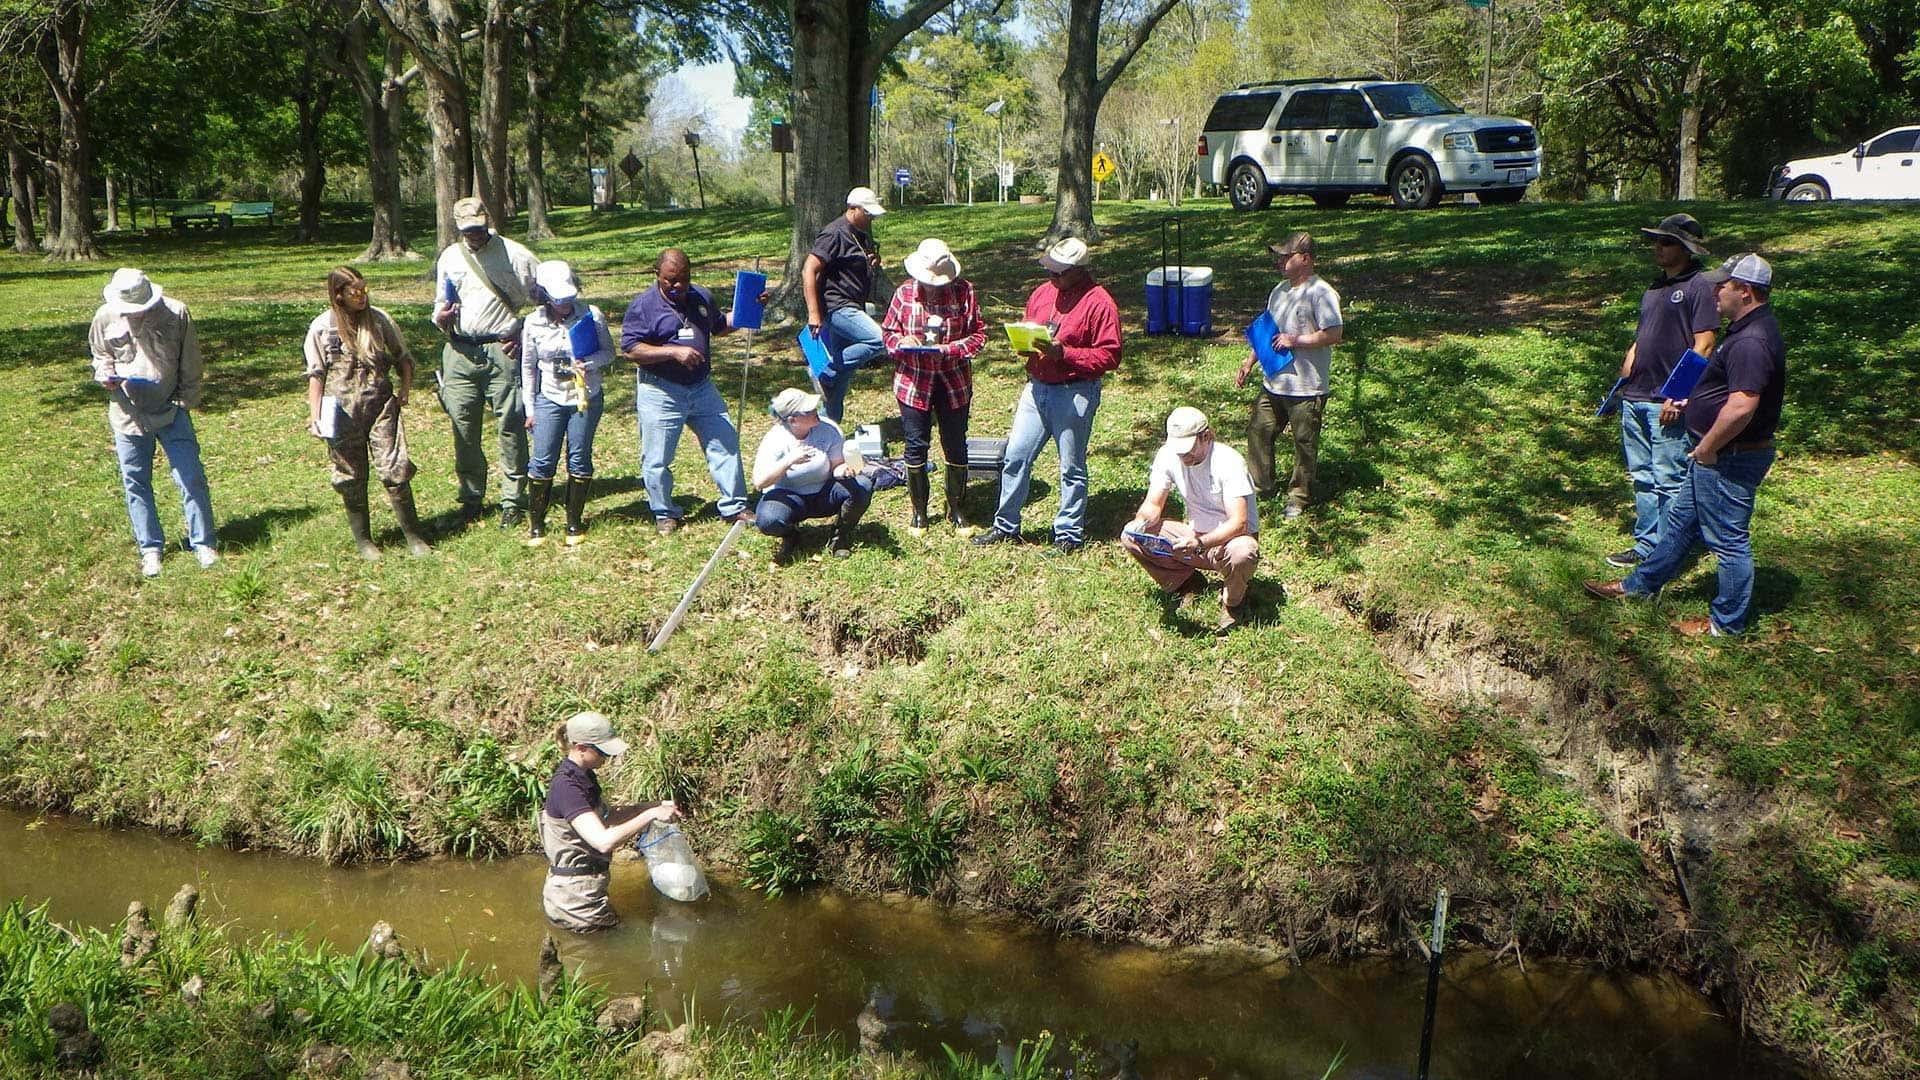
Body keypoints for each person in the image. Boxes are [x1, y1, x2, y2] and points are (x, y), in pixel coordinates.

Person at [1585, 254, 1786, 637]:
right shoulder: (1745, 330)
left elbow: (1743, 405)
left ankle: (1726, 625)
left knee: (1728, 541)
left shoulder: (1752, 341)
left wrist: (1709, 446)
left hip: (1730, 456)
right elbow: (1726, 392)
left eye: (1722, 286)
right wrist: (1691, 402)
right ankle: (1637, 587)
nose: (1715, 292)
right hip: (1718, 453)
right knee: (1678, 526)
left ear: (1744, 291)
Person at [972, 237, 1122, 553]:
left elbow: (1110, 356)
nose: (1052, 278)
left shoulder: (1099, 302)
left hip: (1074, 391)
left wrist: (1064, 354)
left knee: (1071, 466)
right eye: (1049, 271)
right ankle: (1005, 525)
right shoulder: (1042, 293)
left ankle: (1068, 534)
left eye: (1059, 273)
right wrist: (1024, 344)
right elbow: (1030, 326)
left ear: (1080, 270)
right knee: (1015, 456)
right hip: (1036, 388)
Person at [88, 268, 219, 578]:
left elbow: (191, 361)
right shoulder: (105, 316)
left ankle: (203, 542)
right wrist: (104, 374)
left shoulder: (176, 313)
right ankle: (150, 549)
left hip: (171, 410)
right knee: (135, 482)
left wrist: (185, 400)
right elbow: (100, 353)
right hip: (127, 414)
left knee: (191, 476)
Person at [1606, 213, 1718, 569]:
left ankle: (1669, 552)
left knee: (1669, 480)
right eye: (1656, 241)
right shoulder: (1654, 289)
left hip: (1665, 402)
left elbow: (1705, 345)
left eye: (1667, 242)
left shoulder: (1699, 286)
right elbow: (1644, 334)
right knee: (1642, 476)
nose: (1658, 247)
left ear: (1685, 249)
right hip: (1635, 396)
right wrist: (1630, 358)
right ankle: (1646, 545)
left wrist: (1679, 394)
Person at [619, 248, 754, 536]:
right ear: (657, 276)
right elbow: (630, 350)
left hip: (701, 387)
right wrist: (672, 352)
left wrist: (747, 310)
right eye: (670, 280)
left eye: (683, 279)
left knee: (725, 441)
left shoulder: (701, 296)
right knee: (657, 458)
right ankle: (664, 512)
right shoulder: (643, 306)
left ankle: (734, 506)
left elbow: (718, 327)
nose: (677, 286)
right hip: (661, 390)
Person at [303, 266, 432, 560]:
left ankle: (414, 536)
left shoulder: (380, 320)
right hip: (341, 413)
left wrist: (405, 391)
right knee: (350, 475)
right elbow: (316, 374)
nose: (361, 297)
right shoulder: (322, 327)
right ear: (339, 295)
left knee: (394, 468)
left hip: (381, 407)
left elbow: (404, 358)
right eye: (354, 293)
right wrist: (316, 416)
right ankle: (364, 541)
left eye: (364, 290)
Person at [432, 196, 539, 527]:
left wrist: (523, 330)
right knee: (463, 428)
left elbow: (546, 301)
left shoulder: (516, 255)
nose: (474, 235)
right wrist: (442, 317)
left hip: (501, 350)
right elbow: (439, 304)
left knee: (510, 425)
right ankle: (471, 497)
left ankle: (513, 499)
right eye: (467, 230)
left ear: (487, 222)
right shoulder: (450, 257)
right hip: (460, 351)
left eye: (478, 228)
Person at [879, 237, 986, 536]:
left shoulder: (965, 292)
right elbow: (887, 333)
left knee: (955, 443)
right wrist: (901, 342)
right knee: (915, 444)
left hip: (954, 381)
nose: (933, 287)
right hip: (914, 383)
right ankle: (920, 512)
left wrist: (949, 349)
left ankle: (956, 507)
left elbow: (979, 336)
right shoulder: (903, 294)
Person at [1122, 408, 1262, 633]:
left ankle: (1234, 602)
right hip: (1193, 536)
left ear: (1205, 436)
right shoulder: (1168, 455)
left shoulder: (1229, 462)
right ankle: (1186, 583)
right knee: (1130, 535)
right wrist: (1141, 521)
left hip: (1228, 541)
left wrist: (1201, 544)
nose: (1184, 457)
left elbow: (1239, 523)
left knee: (1242, 552)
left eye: (1188, 451)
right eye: (1179, 451)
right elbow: (1153, 504)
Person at [540, 711, 682, 932]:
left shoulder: (583, 776)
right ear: (580, 748)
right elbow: (603, 841)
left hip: (584, 891)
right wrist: (650, 815)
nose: (607, 757)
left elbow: (607, 815)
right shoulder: (567, 788)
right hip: (575, 901)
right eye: (602, 751)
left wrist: (650, 806)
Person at [1236, 232, 1343, 521]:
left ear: (1305, 258)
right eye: (1279, 256)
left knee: (1304, 444)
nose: (1280, 261)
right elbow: (1269, 334)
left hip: (1307, 387)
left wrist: (1296, 340)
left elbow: (1334, 334)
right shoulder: (1279, 291)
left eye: (1287, 256)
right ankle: (1261, 487)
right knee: (1259, 430)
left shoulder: (1322, 293)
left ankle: (1299, 496)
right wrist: (1249, 362)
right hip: (1274, 382)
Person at [520, 260, 616, 546]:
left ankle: (573, 522)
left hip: (585, 396)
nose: (566, 304)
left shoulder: (591, 315)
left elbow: (609, 353)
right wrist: (530, 409)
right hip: (549, 396)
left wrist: (589, 363)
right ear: (545, 296)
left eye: (569, 298)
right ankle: (536, 523)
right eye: (559, 299)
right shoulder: (532, 322)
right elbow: (528, 368)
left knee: (579, 457)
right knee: (542, 459)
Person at [751, 388, 873, 561]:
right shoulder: (774, 440)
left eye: (815, 407)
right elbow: (760, 482)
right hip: (790, 498)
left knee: (863, 486)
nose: (817, 411)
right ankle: (791, 535)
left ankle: (839, 537)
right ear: (793, 419)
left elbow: (837, 465)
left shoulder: (829, 429)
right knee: (768, 521)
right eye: (809, 411)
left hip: (824, 492)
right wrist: (788, 461)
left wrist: (844, 471)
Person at [802, 187, 889, 424]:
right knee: (881, 340)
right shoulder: (834, 233)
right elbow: (809, 269)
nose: (870, 218)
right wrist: (814, 314)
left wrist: (870, 262)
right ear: (853, 209)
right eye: (867, 213)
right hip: (837, 306)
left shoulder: (860, 234)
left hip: (854, 304)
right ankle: (825, 370)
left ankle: (830, 434)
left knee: (836, 389)